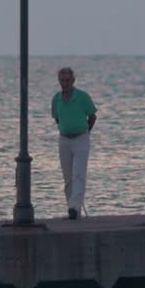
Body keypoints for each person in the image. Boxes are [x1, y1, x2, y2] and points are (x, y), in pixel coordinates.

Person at [51, 66, 97, 219]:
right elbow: (57, 118)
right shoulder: (56, 99)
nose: (65, 83)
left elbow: (92, 117)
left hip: (81, 138)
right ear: (59, 81)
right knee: (68, 177)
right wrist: (65, 128)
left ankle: (75, 207)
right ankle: (72, 209)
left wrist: (85, 131)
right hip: (64, 139)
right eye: (62, 80)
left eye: (68, 80)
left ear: (73, 80)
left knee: (79, 174)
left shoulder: (82, 97)